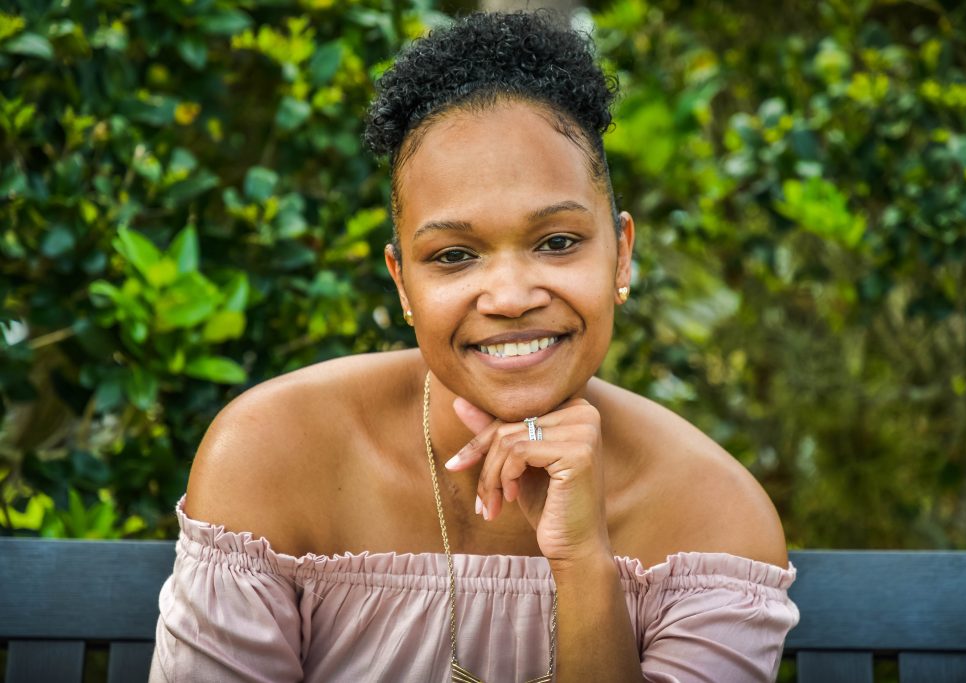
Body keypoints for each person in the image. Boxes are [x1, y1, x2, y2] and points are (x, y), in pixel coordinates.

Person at [150, 11, 799, 683]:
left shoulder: (713, 517)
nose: (511, 297)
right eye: (454, 255)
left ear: (622, 255)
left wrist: (584, 563)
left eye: (557, 242)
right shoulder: (272, 454)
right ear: (402, 283)